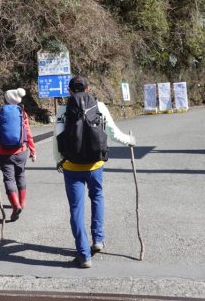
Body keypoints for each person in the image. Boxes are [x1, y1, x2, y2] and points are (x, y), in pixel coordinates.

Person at [53, 76, 136, 268]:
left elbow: (57, 138)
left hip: (71, 167)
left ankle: (84, 255)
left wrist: (59, 161)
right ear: (88, 89)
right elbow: (112, 132)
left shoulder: (63, 110)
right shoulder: (99, 107)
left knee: (76, 209)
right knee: (97, 197)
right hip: (95, 164)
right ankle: (98, 239)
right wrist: (129, 140)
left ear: (69, 91)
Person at [0, 88, 36, 221]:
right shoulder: (22, 113)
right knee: (20, 175)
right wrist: (33, 150)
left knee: (9, 179)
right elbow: (27, 132)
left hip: (4, 152)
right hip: (21, 150)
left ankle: (15, 205)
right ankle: (22, 203)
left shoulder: (0, 113)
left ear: (6, 99)